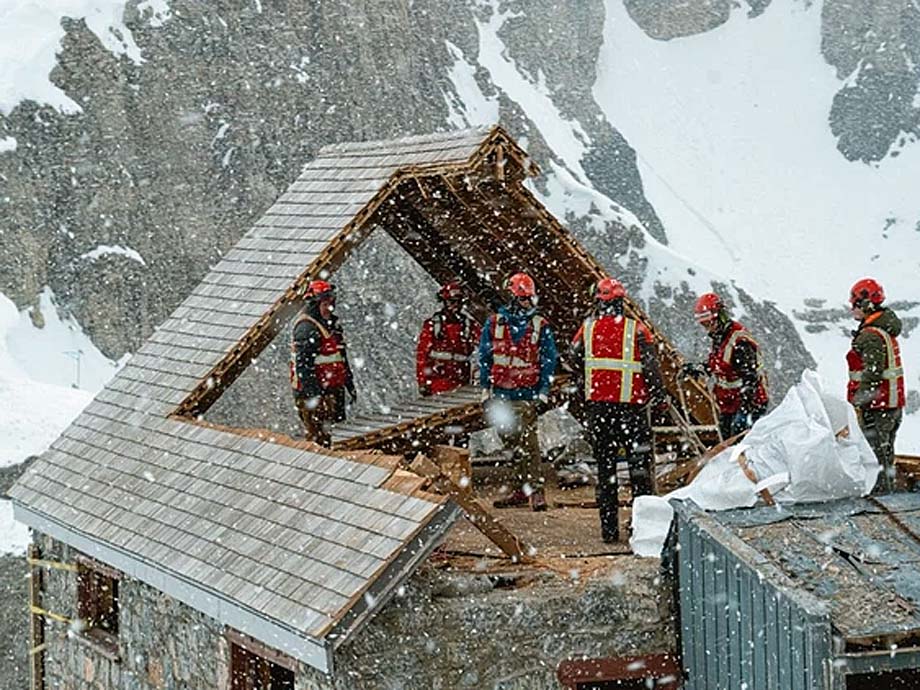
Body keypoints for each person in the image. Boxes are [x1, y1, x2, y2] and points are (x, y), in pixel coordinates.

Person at [570, 278, 669, 543]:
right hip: (632, 411)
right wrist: (659, 398)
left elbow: (573, 359)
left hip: (600, 411)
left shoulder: (587, 330)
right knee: (639, 472)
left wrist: (589, 387)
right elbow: (652, 370)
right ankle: (642, 528)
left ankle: (609, 531)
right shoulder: (637, 331)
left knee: (606, 472)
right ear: (621, 301)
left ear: (599, 302)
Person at [479, 272, 558, 512]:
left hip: (526, 395)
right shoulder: (494, 324)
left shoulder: (539, 325)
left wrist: (543, 391)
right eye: (525, 299)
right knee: (511, 443)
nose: (529, 303)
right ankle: (520, 488)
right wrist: (485, 390)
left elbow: (548, 360)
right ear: (514, 298)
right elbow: (485, 357)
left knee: (529, 443)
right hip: (501, 395)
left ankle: (535, 490)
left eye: (529, 299)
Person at [846, 278, 905, 493]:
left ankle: (881, 503)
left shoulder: (870, 336)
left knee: (875, 459)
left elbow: (872, 374)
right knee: (886, 455)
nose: (851, 309)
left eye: (854, 304)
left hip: (878, 408)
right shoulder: (884, 330)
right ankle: (886, 497)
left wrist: (858, 403)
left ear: (865, 305)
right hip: (890, 406)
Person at [683, 292, 769, 440]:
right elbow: (718, 365)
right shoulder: (719, 338)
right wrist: (699, 368)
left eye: (709, 323)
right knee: (725, 437)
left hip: (749, 402)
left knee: (739, 439)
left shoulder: (739, 341)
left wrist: (745, 411)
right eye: (704, 325)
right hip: (729, 403)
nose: (707, 328)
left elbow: (750, 378)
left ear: (720, 317)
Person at [289, 280, 357, 446]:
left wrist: (349, 383)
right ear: (314, 305)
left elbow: (340, 358)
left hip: (333, 391)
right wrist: (315, 397)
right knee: (320, 440)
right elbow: (304, 368)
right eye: (325, 304)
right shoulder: (307, 329)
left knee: (338, 436)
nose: (329, 308)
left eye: (330, 303)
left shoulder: (332, 326)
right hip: (315, 396)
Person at [416, 281, 481, 396]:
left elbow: (485, 345)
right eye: (452, 301)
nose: (455, 305)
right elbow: (422, 354)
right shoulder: (433, 325)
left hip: (462, 381)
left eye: (458, 302)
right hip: (438, 381)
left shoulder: (469, 325)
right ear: (445, 302)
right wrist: (423, 382)